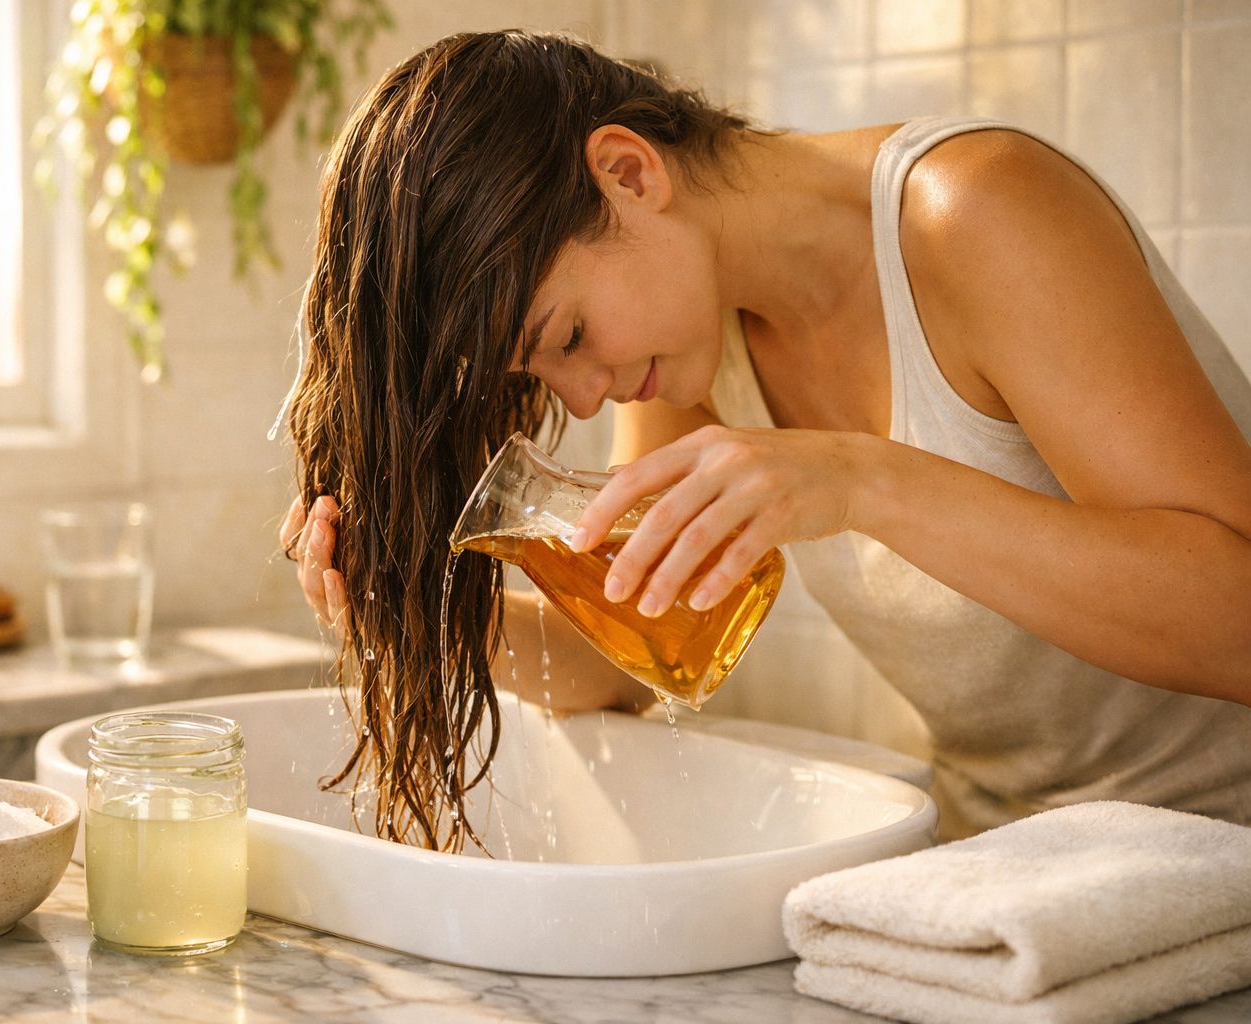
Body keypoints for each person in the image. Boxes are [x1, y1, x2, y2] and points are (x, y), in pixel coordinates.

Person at [277, 30, 1251, 846]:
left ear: (628, 173)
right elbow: (627, 662)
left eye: (567, 336)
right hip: (1019, 866)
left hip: (1218, 853)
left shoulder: (976, 212)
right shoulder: (692, 346)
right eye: (538, 372)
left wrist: (863, 481)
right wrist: (405, 609)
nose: (581, 397)